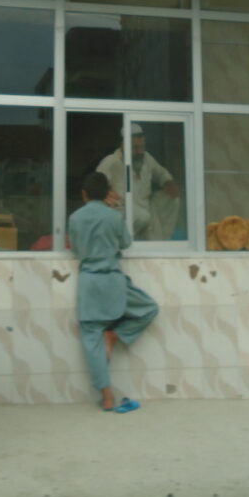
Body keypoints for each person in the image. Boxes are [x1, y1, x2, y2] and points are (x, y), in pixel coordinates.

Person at [68, 171, 159, 412]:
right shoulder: (113, 217)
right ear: (106, 193)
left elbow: (76, 248)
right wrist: (116, 209)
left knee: (90, 337)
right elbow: (126, 244)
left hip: (89, 283)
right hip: (113, 281)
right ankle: (115, 335)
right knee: (149, 308)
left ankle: (107, 396)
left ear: (84, 194)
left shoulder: (75, 218)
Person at [96, 123, 180, 240]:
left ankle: (163, 241)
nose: (140, 151)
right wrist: (105, 193)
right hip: (122, 209)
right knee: (143, 217)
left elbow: (161, 173)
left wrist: (168, 182)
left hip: (146, 206)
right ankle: (123, 241)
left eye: (142, 147)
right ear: (124, 145)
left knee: (173, 200)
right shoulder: (111, 162)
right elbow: (96, 184)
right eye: (135, 148)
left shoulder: (146, 157)